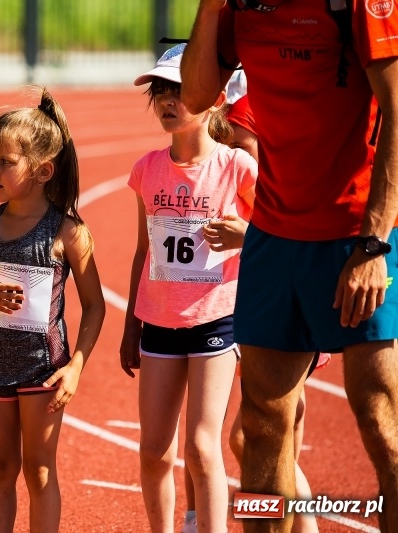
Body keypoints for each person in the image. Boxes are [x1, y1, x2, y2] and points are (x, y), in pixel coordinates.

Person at [181, 3, 398, 532]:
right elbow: (195, 95)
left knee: (380, 420)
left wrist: (373, 244)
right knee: (261, 425)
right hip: (274, 239)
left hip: (353, 235)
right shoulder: (239, 7)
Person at [0, 87, 105, 533]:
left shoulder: (69, 232)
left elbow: (95, 306)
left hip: (44, 371)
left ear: (42, 169)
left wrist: (75, 367)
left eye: (5, 161)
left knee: (39, 471)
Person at [119, 43, 256, 533]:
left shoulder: (237, 168)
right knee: (154, 450)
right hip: (158, 321)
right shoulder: (147, 168)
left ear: (216, 98)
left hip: (215, 320)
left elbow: (279, 239)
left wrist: (245, 234)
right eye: (161, 90)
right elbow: (143, 253)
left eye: (179, 90)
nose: (167, 100)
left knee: (202, 447)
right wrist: (129, 325)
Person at [222, 94, 321, 533]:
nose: (233, 156)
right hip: (261, 309)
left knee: (253, 438)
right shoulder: (246, 186)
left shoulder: (288, 193)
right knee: (273, 443)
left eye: (241, 147)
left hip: (281, 310)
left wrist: (250, 237)